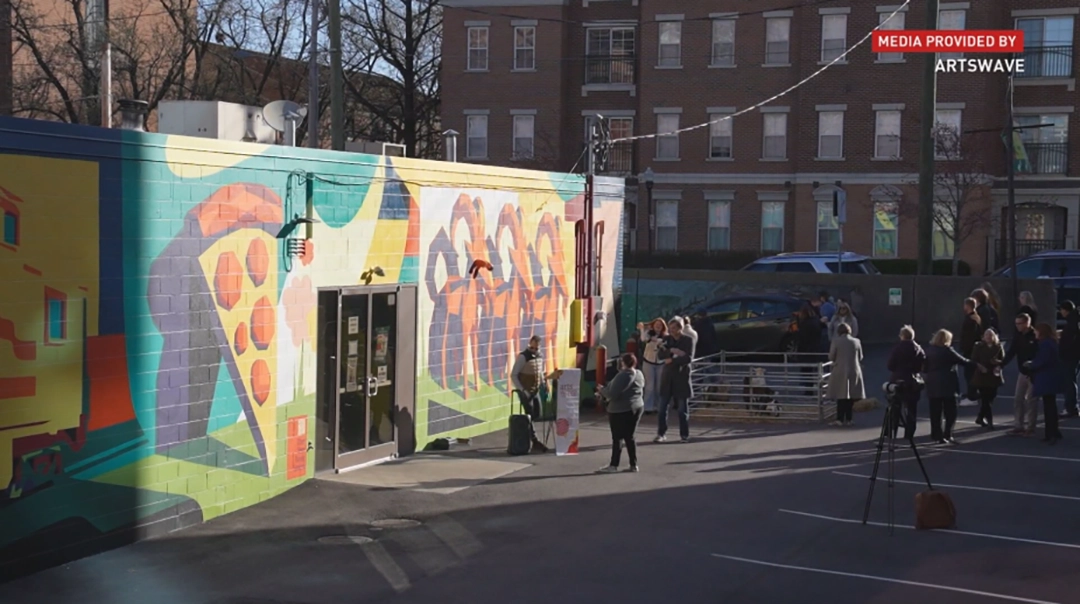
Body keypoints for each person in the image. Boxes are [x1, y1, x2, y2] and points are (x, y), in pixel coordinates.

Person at [596, 353, 646, 473]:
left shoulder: (623, 375)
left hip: (620, 410)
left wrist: (601, 390)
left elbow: (611, 394)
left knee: (617, 438)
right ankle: (633, 464)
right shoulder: (639, 373)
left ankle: (614, 465)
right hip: (637, 406)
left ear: (623, 362)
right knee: (630, 437)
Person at [924, 329, 970, 444]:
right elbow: (963, 361)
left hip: (933, 384)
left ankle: (936, 435)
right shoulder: (948, 351)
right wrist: (977, 364)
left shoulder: (929, 350)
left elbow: (924, 367)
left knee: (935, 412)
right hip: (948, 385)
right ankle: (948, 434)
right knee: (951, 412)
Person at [655, 317, 694, 443]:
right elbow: (660, 355)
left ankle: (684, 435)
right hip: (667, 377)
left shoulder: (688, 340)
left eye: (674, 328)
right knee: (662, 408)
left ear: (680, 328)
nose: (671, 330)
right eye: (670, 328)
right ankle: (661, 433)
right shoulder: (666, 339)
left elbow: (688, 358)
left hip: (681, 377)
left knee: (682, 409)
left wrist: (672, 360)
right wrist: (672, 350)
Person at [509, 335, 550, 453]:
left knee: (537, 413)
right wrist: (522, 390)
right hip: (525, 391)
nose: (534, 350)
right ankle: (534, 439)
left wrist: (544, 383)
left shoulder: (540, 356)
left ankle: (528, 434)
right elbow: (513, 375)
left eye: (536, 348)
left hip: (535, 390)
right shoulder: (523, 357)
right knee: (529, 414)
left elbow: (540, 372)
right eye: (532, 348)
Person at [1026, 323, 1064, 444]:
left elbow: (1043, 360)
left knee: (1049, 407)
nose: (1035, 333)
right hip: (1052, 377)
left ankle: (1051, 433)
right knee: (1050, 405)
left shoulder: (1045, 344)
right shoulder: (1051, 342)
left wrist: (1031, 364)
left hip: (1046, 377)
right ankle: (1053, 432)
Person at [1003, 313, 1039, 437]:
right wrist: (1001, 364)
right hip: (1022, 372)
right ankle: (1018, 426)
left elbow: (1039, 354)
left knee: (1031, 401)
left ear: (1027, 323)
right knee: (1018, 399)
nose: (1017, 326)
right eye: (1016, 323)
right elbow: (1011, 351)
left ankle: (1031, 427)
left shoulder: (1035, 336)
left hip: (1034, 373)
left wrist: (1033, 365)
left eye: (1020, 323)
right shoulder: (1018, 336)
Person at [887, 325, 926, 440]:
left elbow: (890, 365)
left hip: (898, 379)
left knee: (895, 408)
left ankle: (892, 432)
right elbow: (923, 365)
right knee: (911, 409)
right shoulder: (918, 349)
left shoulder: (897, 348)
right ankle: (909, 434)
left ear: (902, 336)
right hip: (912, 380)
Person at [828, 323, 864, 427]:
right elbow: (860, 356)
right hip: (854, 369)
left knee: (841, 395)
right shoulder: (856, 341)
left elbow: (831, 356)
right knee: (851, 395)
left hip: (840, 369)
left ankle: (839, 419)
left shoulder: (836, 341)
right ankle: (849, 418)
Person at [971, 328, 1006, 430]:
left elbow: (1003, 360)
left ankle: (980, 417)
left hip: (993, 375)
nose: (988, 337)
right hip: (982, 375)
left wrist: (998, 363)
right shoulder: (978, 346)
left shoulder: (998, 346)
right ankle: (990, 422)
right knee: (985, 399)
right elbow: (973, 360)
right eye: (986, 335)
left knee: (991, 398)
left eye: (990, 335)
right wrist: (980, 366)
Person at [636, 318, 667, 414]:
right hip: (648, 362)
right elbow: (643, 339)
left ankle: (658, 406)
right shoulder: (649, 334)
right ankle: (647, 407)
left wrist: (658, 341)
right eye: (656, 324)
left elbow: (664, 344)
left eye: (660, 325)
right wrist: (643, 329)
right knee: (650, 386)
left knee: (659, 386)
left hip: (660, 363)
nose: (658, 326)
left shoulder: (665, 336)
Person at [958, 297, 983, 405]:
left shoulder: (970, 320)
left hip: (970, 351)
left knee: (969, 373)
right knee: (971, 373)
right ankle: (972, 393)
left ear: (967, 306)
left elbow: (969, 337)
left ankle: (972, 396)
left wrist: (964, 348)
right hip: (973, 350)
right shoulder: (976, 318)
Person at [1057, 301, 1080, 418]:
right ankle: (1072, 407)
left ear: (1066, 310)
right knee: (1072, 381)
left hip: (1069, 356)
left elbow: (1069, 341)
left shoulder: (1072, 323)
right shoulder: (1075, 320)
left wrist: (1061, 348)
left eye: (1061, 310)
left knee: (1069, 382)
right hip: (1075, 355)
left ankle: (1070, 407)